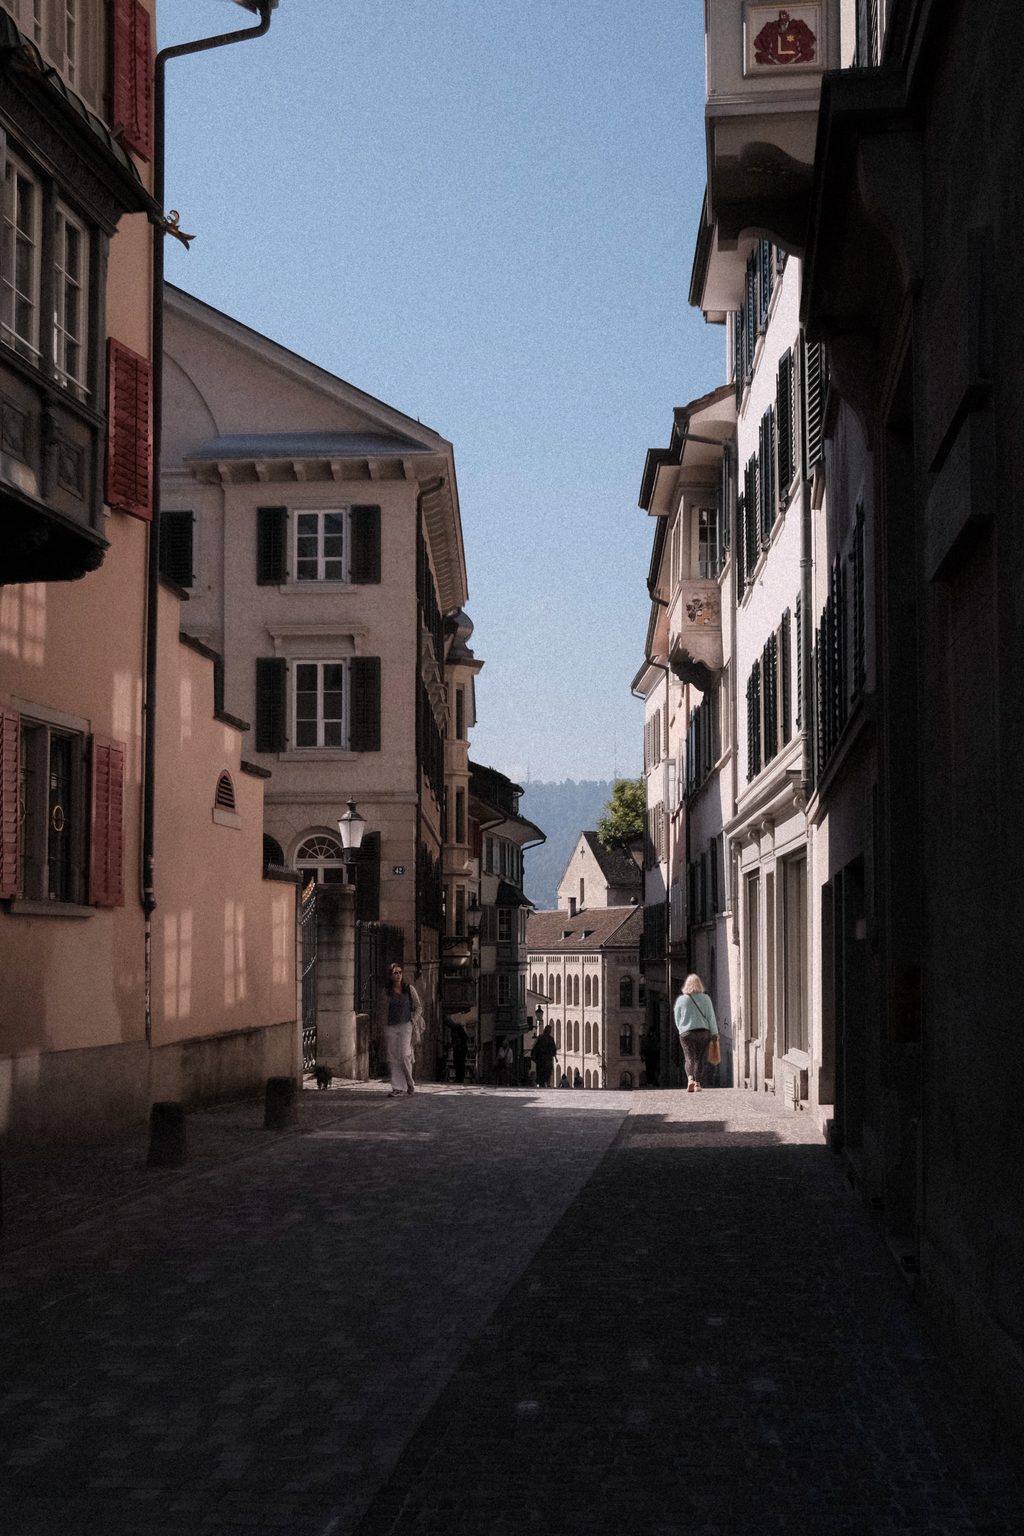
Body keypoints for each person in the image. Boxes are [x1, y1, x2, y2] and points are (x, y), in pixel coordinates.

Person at [376, 962, 422, 1097]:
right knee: (393, 1057)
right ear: (390, 976)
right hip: (390, 1026)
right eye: (395, 973)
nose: (398, 975)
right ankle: (397, 1087)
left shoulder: (409, 989)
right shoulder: (386, 992)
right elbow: (382, 1010)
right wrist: (381, 1026)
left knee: (404, 1054)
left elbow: (419, 1007)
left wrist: (414, 1019)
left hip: (406, 1025)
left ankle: (409, 1082)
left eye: (400, 972)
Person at [674, 973, 719, 1093]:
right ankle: (698, 1084)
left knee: (689, 1057)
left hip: (686, 1033)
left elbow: (677, 1018)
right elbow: (711, 1017)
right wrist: (714, 1032)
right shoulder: (705, 998)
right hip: (703, 1032)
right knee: (699, 1058)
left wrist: (681, 1029)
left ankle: (690, 1080)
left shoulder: (681, 1000)